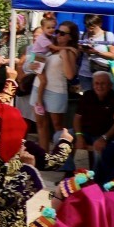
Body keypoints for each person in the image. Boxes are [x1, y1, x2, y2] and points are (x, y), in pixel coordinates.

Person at [33, 20, 80, 151]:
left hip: (56, 91)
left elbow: (70, 75)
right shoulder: (49, 45)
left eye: (63, 33)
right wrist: (33, 66)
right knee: (41, 125)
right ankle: (43, 155)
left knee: (58, 126)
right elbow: (35, 63)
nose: (58, 34)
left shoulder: (70, 51)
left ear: (70, 37)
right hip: (39, 87)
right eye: (58, 31)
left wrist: (64, 54)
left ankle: (61, 157)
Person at [74, 69, 114, 172]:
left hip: (104, 134)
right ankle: (68, 171)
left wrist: (104, 138)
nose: (99, 86)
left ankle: (96, 179)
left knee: (99, 149)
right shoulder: (87, 95)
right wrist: (79, 136)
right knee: (61, 138)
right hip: (85, 133)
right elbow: (77, 118)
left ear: (110, 85)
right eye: (96, 83)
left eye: (103, 84)